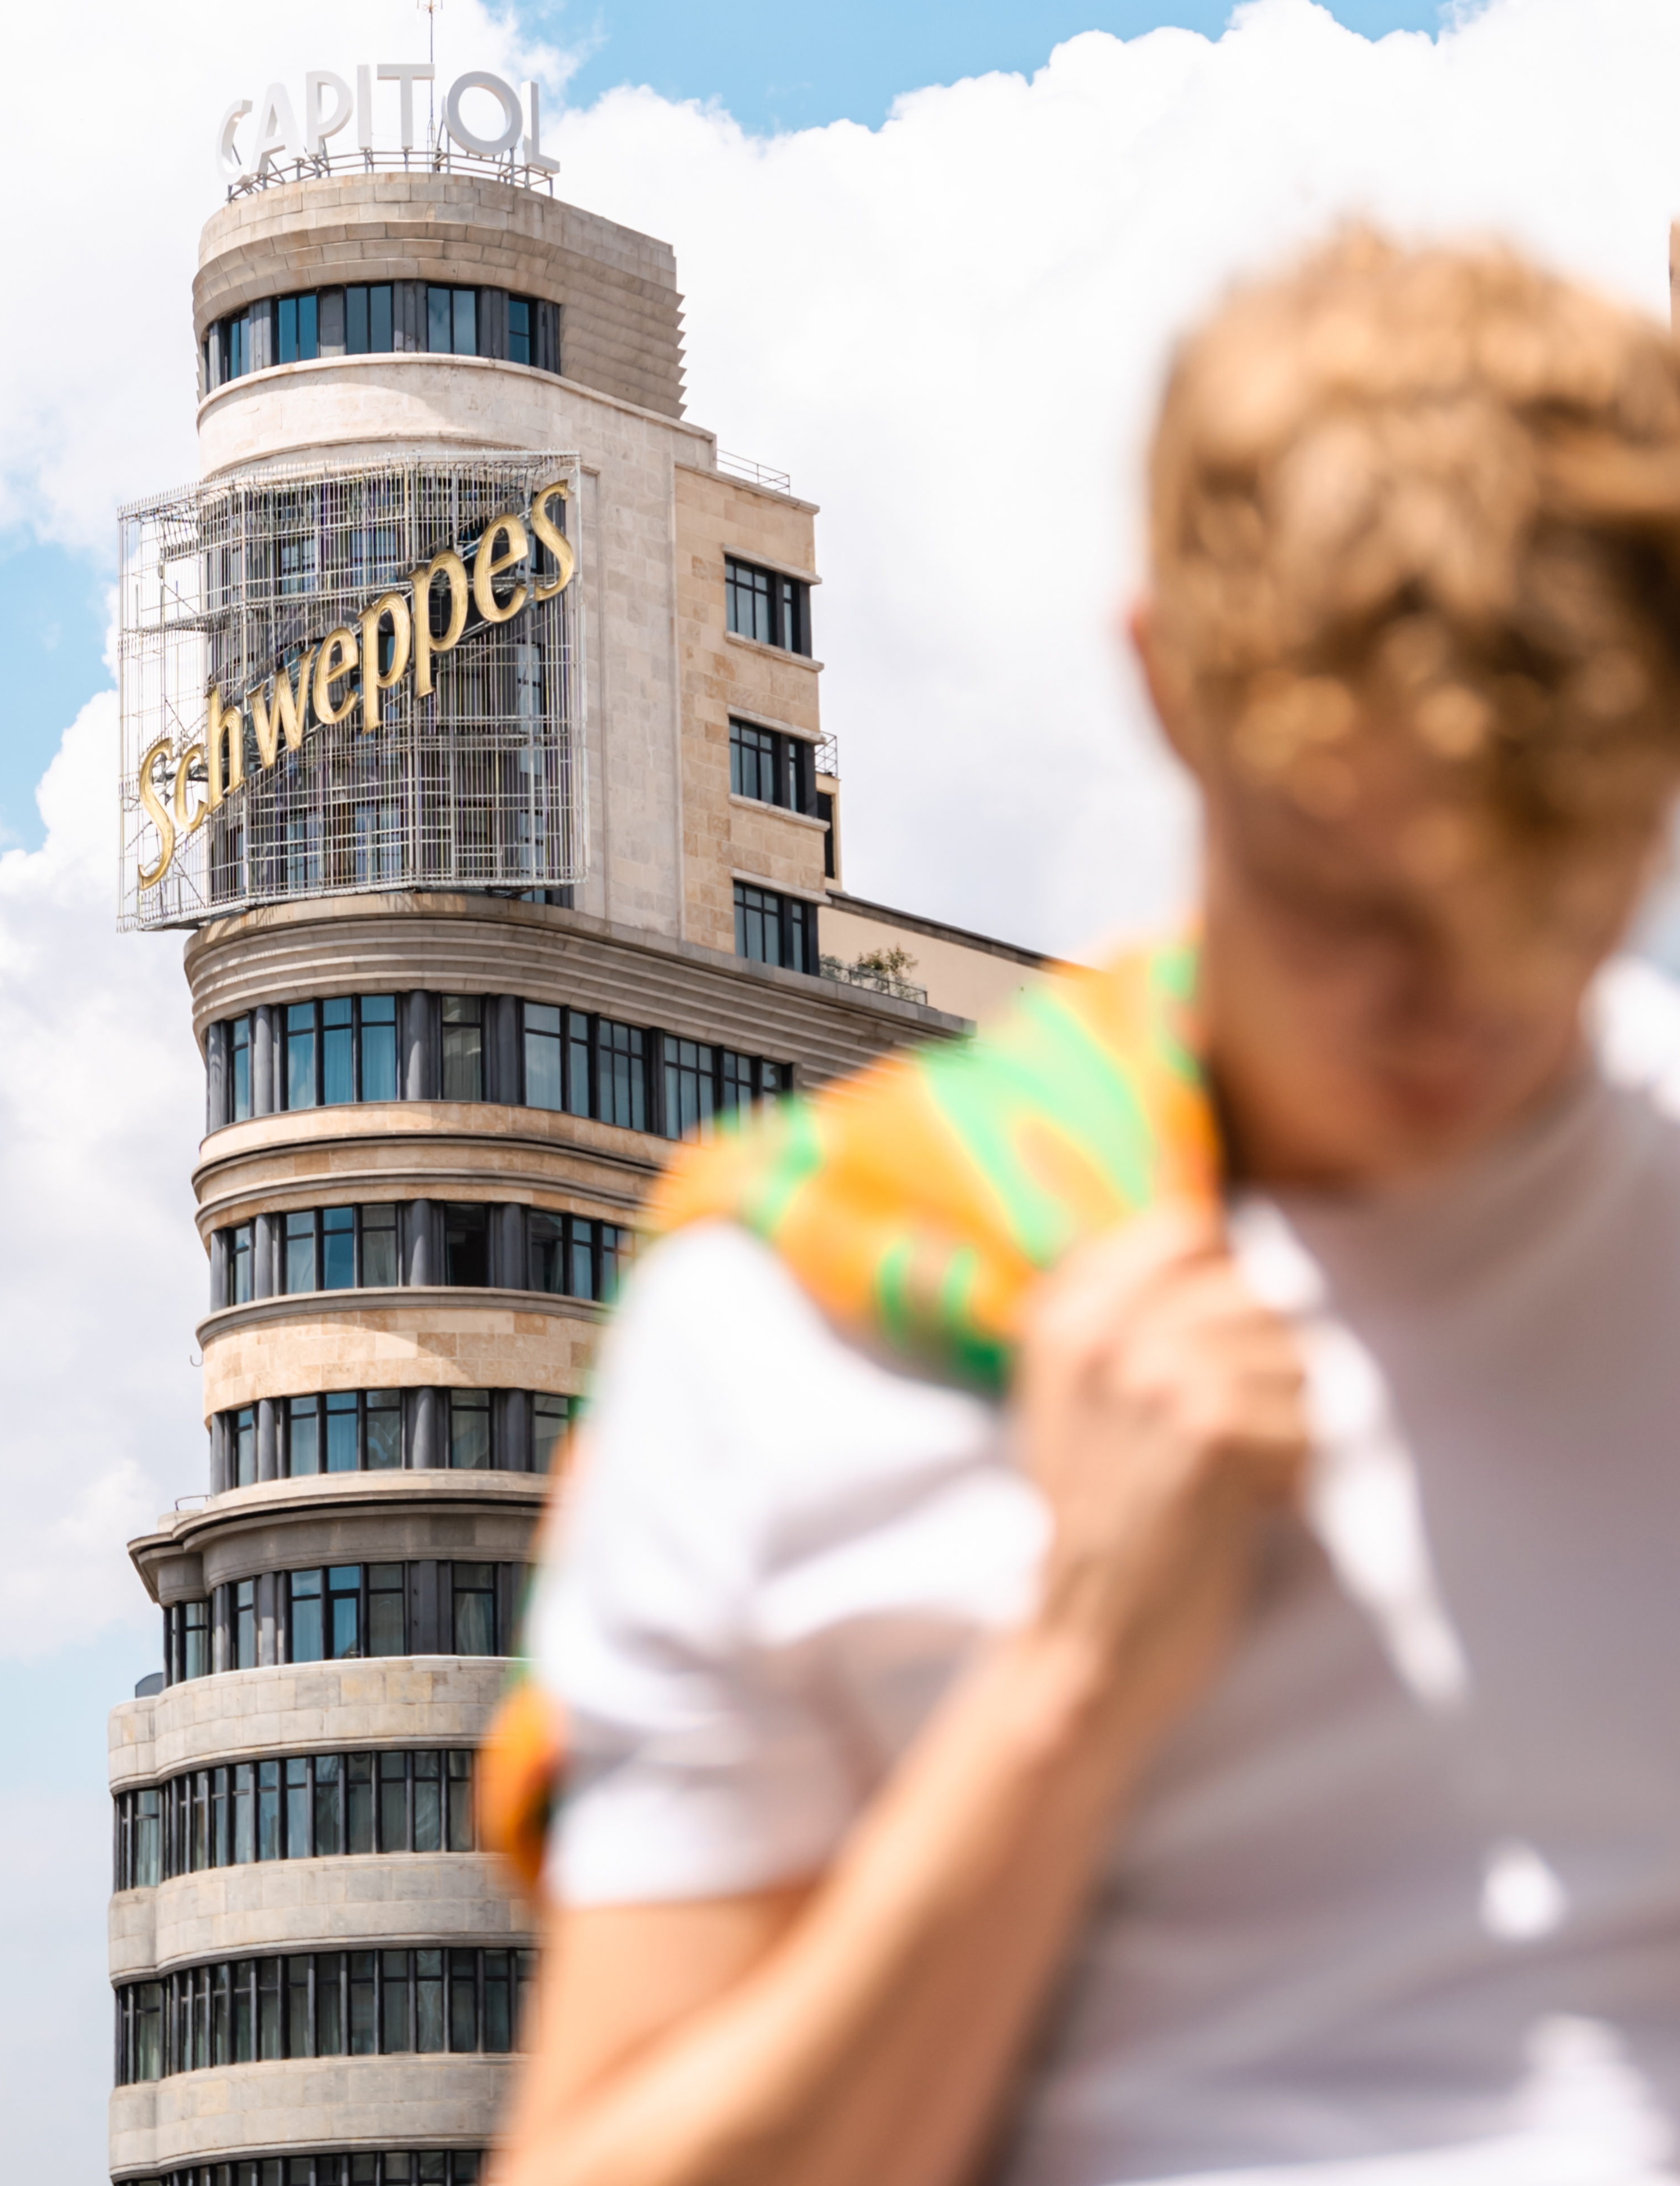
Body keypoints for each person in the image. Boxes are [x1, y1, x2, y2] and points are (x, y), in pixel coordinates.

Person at [489, 227, 1680, 2186]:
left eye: (1548, 895)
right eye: (1354, 901)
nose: (1447, 1010)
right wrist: (1075, 1675)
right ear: (1168, 685)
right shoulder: (829, 1299)